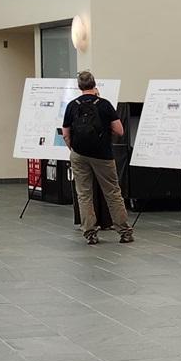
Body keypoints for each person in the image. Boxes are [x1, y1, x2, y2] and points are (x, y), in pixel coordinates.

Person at [59, 71, 132, 244]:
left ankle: (90, 233)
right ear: (94, 84)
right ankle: (124, 231)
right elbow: (120, 131)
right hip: (103, 155)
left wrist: (74, 150)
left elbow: (65, 134)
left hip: (78, 155)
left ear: (79, 86)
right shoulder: (104, 105)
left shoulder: (72, 106)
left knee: (84, 194)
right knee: (113, 192)